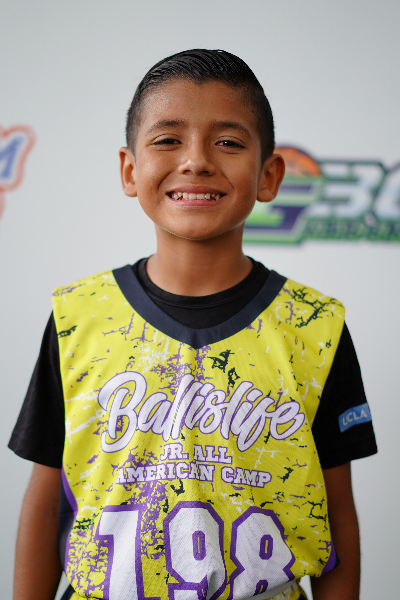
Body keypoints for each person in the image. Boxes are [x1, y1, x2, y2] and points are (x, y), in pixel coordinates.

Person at [9, 49, 377, 600]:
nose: (197, 161)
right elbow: (47, 501)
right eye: (167, 139)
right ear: (130, 170)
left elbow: (337, 517)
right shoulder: (78, 317)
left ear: (269, 175)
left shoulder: (314, 328)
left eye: (228, 142)